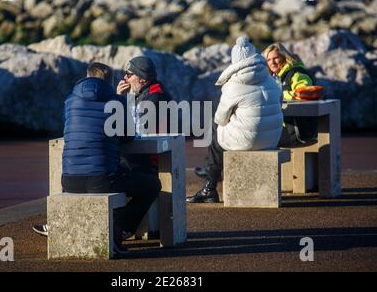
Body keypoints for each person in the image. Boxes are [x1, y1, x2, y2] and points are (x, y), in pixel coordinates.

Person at [33, 62, 161, 255]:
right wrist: (120, 100)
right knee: (152, 185)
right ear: (109, 80)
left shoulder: (70, 100)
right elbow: (127, 138)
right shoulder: (115, 102)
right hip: (102, 181)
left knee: (97, 170)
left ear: (87, 76)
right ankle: (122, 229)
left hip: (69, 181)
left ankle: (62, 225)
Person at [187, 36, 283, 203]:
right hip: (272, 139)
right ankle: (210, 169)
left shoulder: (234, 85)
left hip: (248, 141)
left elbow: (220, 118)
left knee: (215, 127)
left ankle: (210, 182)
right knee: (224, 130)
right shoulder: (271, 80)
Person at [116, 56, 171, 174]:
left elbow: (135, 130)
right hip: (143, 153)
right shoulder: (146, 93)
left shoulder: (155, 98)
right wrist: (124, 97)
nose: (125, 78)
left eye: (129, 74)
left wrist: (118, 100)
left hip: (151, 161)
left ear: (142, 79)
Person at [263, 43, 317, 146]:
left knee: (260, 141)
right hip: (282, 127)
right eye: (269, 60)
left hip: (298, 131)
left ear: (284, 57)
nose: (272, 62)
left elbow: (305, 93)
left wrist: (279, 95)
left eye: (276, 58)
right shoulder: (275, 78)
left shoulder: (297, 74)